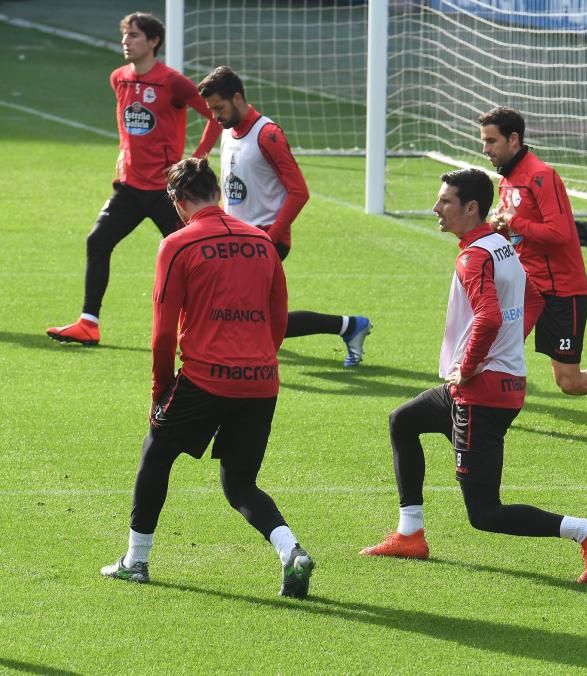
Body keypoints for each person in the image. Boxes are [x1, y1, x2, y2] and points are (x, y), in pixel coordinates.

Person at [361, 169, 587, 583]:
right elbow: (533, 297)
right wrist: (504, 350)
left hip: (480, 395)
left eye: (445, 201)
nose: (436, 208)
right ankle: (410, 533)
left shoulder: (474, 255)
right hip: (487, 386)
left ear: (471, 208)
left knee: (484, 514)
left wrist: (469, 365)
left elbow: (489, 315)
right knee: (404, 421)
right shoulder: (499, 244)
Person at [100, 157, 314, 597]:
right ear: (217, 192)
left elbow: (162, 333)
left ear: (178, 202)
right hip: (261, 380)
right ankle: (291, 551)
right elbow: (278, 322)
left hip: (205, 378)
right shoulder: (263, 243)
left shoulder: (178, 244)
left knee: (156, 452)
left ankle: (136, 561)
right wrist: (256, 362)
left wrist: (161, 390)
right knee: (240, 484)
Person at [47, 12, 221, 346]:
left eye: (134, 36)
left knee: (195, 254)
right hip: (129, 186)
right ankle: (88, 323)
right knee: (97, 241)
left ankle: (212, 321)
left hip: (166, 190)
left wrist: (199, 154)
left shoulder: (172, 82)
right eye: (125, 35)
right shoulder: (119, 78)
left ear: (154, 41)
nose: (126, 42)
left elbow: (213, 113)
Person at [197, 66, 371, 367]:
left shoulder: (268, 135)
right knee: (258, 316)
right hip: (236, 238)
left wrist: (270, 237)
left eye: (219, 108)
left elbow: (299, 192)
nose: (215, 116)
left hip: (265, 238)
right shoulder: (229, 130)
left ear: (237, 98)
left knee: (237, 310)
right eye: (211, 109)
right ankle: (350, 326)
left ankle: (231, 359)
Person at [478, 107, 587, 396]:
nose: (485, 149)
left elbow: (559, 234)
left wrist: (513, 221)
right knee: (491, 349)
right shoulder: (507, 179)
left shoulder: (542, 176)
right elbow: (518, 234)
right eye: (484, 141)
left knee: (569, 381)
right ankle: (481, 409)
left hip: (560, 290)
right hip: (526, 288)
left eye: (491, 141)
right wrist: (500, 227)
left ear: (514, 139)